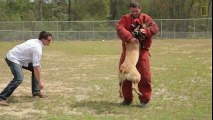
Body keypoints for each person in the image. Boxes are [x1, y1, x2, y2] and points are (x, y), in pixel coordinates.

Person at [116, 0, 159, 107]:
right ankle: (127, 99)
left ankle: (144, 100)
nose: (135, 12)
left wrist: (146, 31)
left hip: (143, 49)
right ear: (130, 9)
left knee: (144, 75)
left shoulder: (146, 18)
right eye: (133, 10)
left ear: (140, 9)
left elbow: (155, 28)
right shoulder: (125, 18)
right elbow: (119, 28)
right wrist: (129, 37)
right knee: (124, 72)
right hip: (128, 50)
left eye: (137, 10)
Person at [0, 31, 53, 106]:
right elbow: (36, 67)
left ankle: (36, 92)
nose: (50, 41)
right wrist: (40, 81)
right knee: (19, 78)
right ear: (43, 39)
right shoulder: (37, 48)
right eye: (49, 40)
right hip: (13, 58)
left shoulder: (36, 42)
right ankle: (1, 98)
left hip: (20, 59)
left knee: (36, 70)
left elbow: (37, 66)